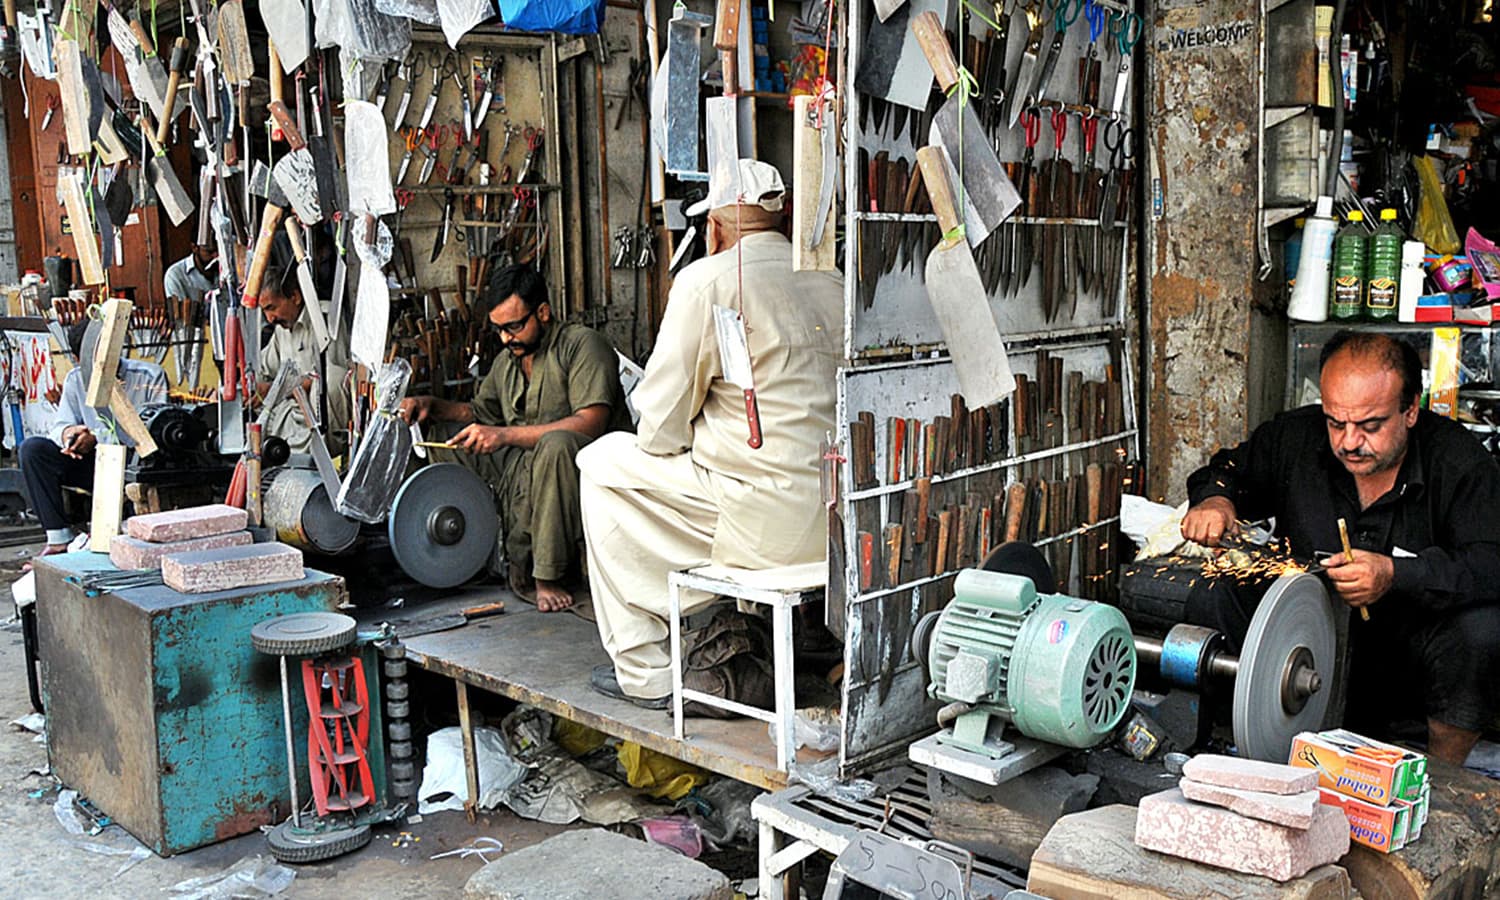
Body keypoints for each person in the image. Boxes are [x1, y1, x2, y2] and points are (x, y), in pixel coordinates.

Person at [576, 159, 843, 708]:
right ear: (780, 219)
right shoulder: (833, 280)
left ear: (716, 227)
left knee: (600, 465)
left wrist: (692, 425)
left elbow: (658, 430)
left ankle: (647, 674)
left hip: (757, 527)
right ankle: (736, 644)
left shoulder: (706, 281)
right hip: (837, 520)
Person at [1180, 331, 1500, 764]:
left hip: (1408, 658)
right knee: (1218, 590)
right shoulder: (1295, 436)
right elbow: (1228, 469)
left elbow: (1489, 563)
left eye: (1370, 426)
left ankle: (1443, 777)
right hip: (1306, 641)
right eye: (1336, 423)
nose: (1349, 442)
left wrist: (1395, 575)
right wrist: (1215, 500)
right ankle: (1233, 747)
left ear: (1410, 410)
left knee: (1482, 630)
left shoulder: (1459, 462)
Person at [398, 265, 630, 612]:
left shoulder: (583, 345)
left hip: (585, 470)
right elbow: (480, 412)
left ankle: (548, 576)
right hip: (525, 465)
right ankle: (474, 548)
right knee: (450, 438)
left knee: (556, 446)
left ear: (543, 312)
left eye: (514, 326)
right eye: (499, 330)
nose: (506, 338)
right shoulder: (510, 361)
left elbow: (590, 424)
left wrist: (504, 435)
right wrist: (433, 406)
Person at [19, 321, 168, 558]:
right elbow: (59, 427)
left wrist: (96, 438)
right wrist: (70, 434)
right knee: (33, 450)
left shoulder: (149, 376)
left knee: (141, 458)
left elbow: (150, 434)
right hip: (93, 464)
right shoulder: (75, 379)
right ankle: (59, 538)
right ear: (79, 359)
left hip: (135, 464)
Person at [256, 238, 350, 457]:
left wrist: (281, 389)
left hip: (321, 419)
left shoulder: (325, 320)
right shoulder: (281, 329)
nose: (269, 318)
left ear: (295, 297)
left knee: (333, 380)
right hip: (293, 421)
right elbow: (263, 368)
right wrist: (252, 385)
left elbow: (332, 380)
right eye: (265, 311)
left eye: (272, 307)